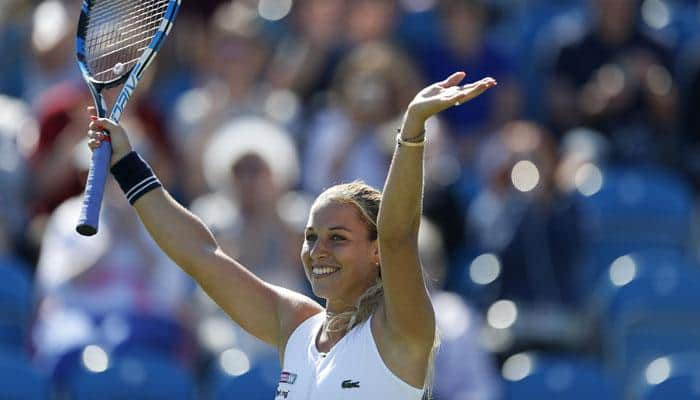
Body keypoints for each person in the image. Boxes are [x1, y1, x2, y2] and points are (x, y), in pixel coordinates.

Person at [86, 72, 496, 399]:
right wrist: (126, 162)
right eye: (311, 236)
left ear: (376, 252)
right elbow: (200, 254)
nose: (317, 250)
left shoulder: (403, 330)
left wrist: (411, 132)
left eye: (338, 238)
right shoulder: (297, 325)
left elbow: (399, 235)